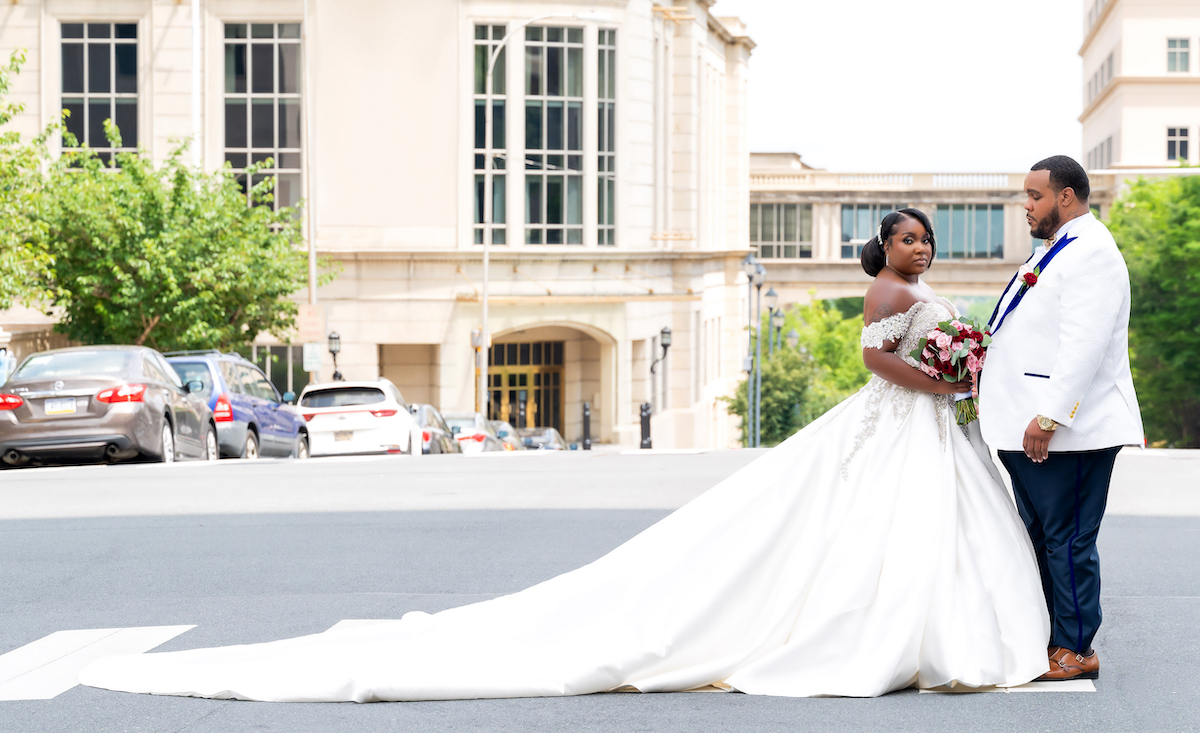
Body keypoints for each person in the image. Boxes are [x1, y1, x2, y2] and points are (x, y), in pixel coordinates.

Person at [81, 209, 1050, 702]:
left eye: (923, 240)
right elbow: (877, 365)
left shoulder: (927, 287)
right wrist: (949, 381)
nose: (918, 251)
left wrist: (960, 376)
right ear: (881, 253)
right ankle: (897, 638)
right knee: (856, 531)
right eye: (906, 239)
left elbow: (925, 358)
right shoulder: (883, 297)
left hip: (934, 432)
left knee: (927, 532)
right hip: (901, 423)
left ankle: (930, 635)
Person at [979, 156, 1143, 681]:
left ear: (1066, 196)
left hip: (1069, 433)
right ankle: (1049, 638)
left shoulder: (1091, 252)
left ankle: (1076, 647)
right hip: (1026, 425)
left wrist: (1049, 417)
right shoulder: (1058, 249)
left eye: (1035, 196)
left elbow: (1084, 346)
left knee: (1068, 539)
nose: (1026, 206)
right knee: (1042, 535)